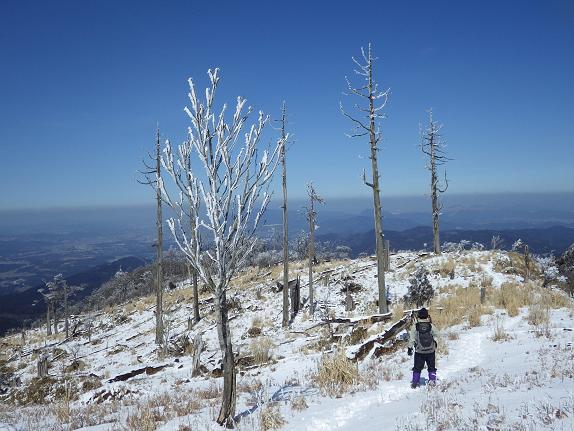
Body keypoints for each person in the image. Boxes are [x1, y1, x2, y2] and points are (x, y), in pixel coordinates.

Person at [407, 307, 437, 388]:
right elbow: (437, 334)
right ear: (427, 316)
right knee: (431, 367)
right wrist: (435, 342)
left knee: (417, 368)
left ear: (418, 316)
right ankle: (432, 381)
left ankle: (415, 382)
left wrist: (410, 348)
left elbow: (412, 338)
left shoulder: (415, 326)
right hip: (431, 350)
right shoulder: (430, 325)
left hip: (419, 351)